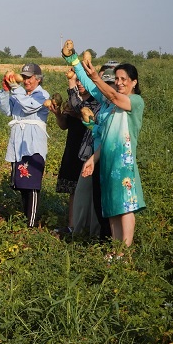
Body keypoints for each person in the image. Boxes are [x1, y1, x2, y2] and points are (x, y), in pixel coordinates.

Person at [68, 52, 145, 249]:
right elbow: (106, 136)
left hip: (124, 163)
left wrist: (95, 75)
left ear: (133, 82)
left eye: (123, 79)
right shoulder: (109, 107)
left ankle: (125, 253)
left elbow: (108, 93)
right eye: (116, 79)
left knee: (125, 208)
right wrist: (74, 61)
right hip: (108, 162)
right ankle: (117, 249)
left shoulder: (135, 102)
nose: (119, 83)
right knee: (112, 207)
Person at [0, 63, 50, 228]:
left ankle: (31, 224)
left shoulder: (41, 95)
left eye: (29, 77)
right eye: (24, 77)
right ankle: (25, 218)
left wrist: (15, 88)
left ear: (38, 79)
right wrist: (6, 91)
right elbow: (6, 110)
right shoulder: (19, 94)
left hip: (33, 144)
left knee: (32, 185)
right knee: (23, 184)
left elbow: (28, 106)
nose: (25, 81)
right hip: (19, 144)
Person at [68, 63, 117, 239]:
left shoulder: (116, 106)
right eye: (105, 84)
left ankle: (100, 237)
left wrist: (72, 82)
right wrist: (73, 61)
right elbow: (89, 85)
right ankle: (82, 234)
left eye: (111, 84)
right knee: (86, 196)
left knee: (102, 199)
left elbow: (77, 106)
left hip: (106, 156)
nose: (107, 88)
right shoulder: (104, 102)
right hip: (92, 154)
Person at [49, 70, 91, 236]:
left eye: (82, 81)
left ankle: (87, 226)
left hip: (88, 149)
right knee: (73, 188)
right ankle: (72, 226)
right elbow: (64, 125)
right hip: (73, 146)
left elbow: (93, 123)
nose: (79, 84)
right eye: (77, 81)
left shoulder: (96, 102)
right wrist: (59, 114)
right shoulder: (72, 102)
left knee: (86, 188)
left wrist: (79, 115)